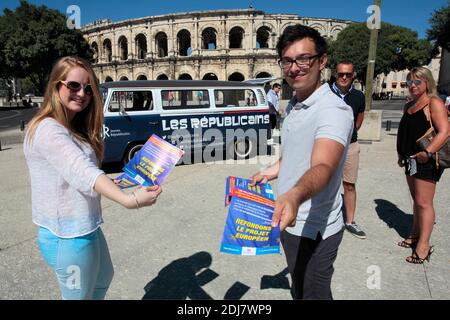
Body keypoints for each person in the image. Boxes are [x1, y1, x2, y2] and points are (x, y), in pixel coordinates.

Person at [23, 56, 162, 299]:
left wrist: (119, 181)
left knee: (102, 278)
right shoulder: (48, 129)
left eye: (89, 88)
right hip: (68, 236)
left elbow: (78, 172)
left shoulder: (70, 126)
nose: (82, 93)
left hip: (85, 227)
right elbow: (81, 171)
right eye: (74, 85)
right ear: (56, 86)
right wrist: (130, 200)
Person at [250, 24, 353, 299]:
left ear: (322, 61)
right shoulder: (294, 103)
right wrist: (269, 172)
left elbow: (323, 167)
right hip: (289, 217)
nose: (294, 67)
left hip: (316, 227)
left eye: (303, 59)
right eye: (287, 60)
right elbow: (294, 155)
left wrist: (294, 194)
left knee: (314, 293)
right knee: (299, 287)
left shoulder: (334, 110)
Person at [396, 67, 449, 264]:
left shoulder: (433, 102)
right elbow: (406, 131)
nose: (413, 85)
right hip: (411, 159)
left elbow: (445, 131)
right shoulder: (409, 105)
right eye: (409, 81)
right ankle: (415, 235)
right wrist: (401, 154)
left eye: (418, 81)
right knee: (416, 200)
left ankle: (424, 246)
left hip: (426, 160)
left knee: (424, 203)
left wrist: (427, 153)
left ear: (427, 82)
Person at [330, 62, 366, 239]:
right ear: (335, 75)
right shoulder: (325, 94)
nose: (344, 77)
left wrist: (350, 133)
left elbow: (359, 118)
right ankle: (327, 219)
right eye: (341, 74)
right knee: (326, 183)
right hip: (328, 146)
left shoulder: (359, 96)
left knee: (349, 184)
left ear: (353, 76)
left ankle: (350, 221)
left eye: (348, 75)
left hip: (350, 146)